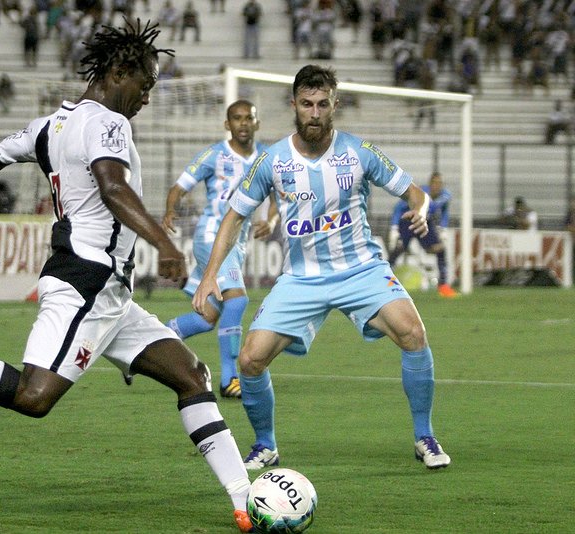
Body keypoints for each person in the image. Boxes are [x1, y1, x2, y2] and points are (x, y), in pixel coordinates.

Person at [0, 20, 255, 533]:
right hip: (86, 283)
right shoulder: (109, 123)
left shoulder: (50, 125)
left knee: (192, 377)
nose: (147, 98)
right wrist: (165, 244)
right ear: (119, 72)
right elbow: (113, 187)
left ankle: (246, 501)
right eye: (146, 85)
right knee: (34, 397)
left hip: (110, 293)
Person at [192, 64, 452, 472]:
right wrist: (210, 275)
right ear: (294, 104)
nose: (314, 112)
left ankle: (425, 436)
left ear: (335, 106)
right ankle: (266, 444)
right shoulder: (272, 161)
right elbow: (233, 218)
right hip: (302, 278)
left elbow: (415, 192)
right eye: (307, 104)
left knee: (413, 333)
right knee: (251, 360)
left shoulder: (359, 152)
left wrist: (420, 209)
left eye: (323, 104)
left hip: (362, 269)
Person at [157, 100, 277, 399]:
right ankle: (231, 379)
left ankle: (153, 338)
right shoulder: (214, 155)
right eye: (236, 118)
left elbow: (277, 192)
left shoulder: (266, 156)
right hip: (212, 236)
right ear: (228, 124)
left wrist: (272, 219)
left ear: (257, 122)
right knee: (236, 301)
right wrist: (171, 210)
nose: (243, 123)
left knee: (206, 318)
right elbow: (179, 187)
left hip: (237, 241)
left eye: (248, 118)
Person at [388, 171, 458, 298]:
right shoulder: (420, 193)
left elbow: (444, 211)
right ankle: (386, 280)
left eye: (439, 183)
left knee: (439, 249)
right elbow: (399, 208)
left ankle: (443, 286)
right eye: (434, 183)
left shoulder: (445, 196)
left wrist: (443, 229)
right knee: (398, 249)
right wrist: (394, 227)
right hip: (407, 221)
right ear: (430, 184)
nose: (437, 186)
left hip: (425, 222)